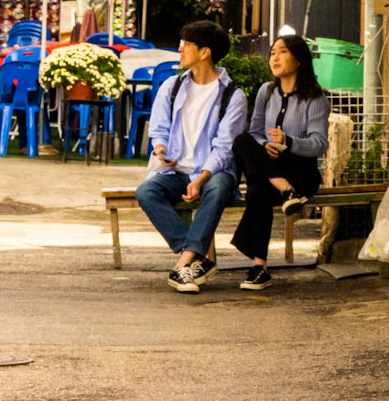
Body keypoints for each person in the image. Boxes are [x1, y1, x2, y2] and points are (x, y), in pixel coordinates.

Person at [134, 21, 247, 292]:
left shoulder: (233, 95)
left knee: (219, 185)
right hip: (175, 172)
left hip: (212, 173)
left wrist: (200, 179)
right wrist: (161, 150)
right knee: (146, 191)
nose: (180, 48)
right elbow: (159, 130)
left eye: (186, 43)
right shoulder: (172, 86)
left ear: (205, 52)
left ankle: (182, 264)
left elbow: (224, 148)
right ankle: (196, 258)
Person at [230, 32, 330, 290]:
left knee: (259, 188)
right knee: (242, 141)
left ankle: (258, 267)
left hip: (301, 172)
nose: (275, 57)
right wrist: (265, 145)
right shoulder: (266, 91)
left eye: (283, 51)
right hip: (274, 171)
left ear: (299, 59)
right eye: (273, 52)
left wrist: (288, 143)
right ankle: (286, 191)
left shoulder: (316, 98)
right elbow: (255, 132)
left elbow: (320, 144)